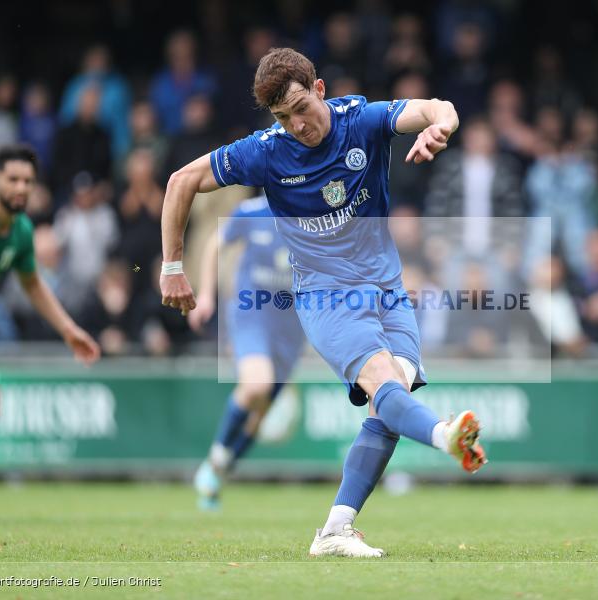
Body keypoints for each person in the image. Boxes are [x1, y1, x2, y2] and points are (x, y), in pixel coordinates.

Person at [159, 47, 484, 558]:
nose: (297, 125)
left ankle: (336, 528)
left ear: (320, 89)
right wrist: (173, 266)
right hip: (327, 297)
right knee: (384, 387)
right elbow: (181, 182)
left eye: (300, 108)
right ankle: (445, 436)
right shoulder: (266, 151)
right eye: (283, 118)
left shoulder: (363, 121)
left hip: (387, 291)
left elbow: (435, 106)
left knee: (390, 400)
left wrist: (439, 127)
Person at [0, 144, 100, 522]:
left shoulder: (21, 232)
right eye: (13, 179)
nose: (21, 188)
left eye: (27, 181)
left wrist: (69, 330)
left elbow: (34, 285)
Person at [188, 194, 305, 510]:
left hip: (292, 325)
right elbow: (215, 244)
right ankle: (215, 461)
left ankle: (217, 476)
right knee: (257, 385)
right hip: (251, 311)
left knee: (260, 413)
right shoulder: (251, 212)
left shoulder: (314, 212)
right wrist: (207, 295)